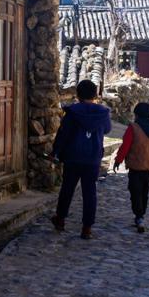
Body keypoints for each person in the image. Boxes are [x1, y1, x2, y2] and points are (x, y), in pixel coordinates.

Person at [51, 80, 113, 238]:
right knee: (90, 192)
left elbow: (63, 134)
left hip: (72, 156)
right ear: (95, 95)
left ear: (77, 95)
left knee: (67, 189)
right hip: (92, 158)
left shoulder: (72, 112)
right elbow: (107, 129)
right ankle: (87, 228)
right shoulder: (102, 113)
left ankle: (60, 219)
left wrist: (56, 151)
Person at [112, 100, 149, 232]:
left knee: (135, 191)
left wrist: (118, 160)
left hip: (136, 166)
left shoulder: (133, 128)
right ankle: (141, 216)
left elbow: (125, 146)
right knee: (144, 192)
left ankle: (139, 215)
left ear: (137, 115)